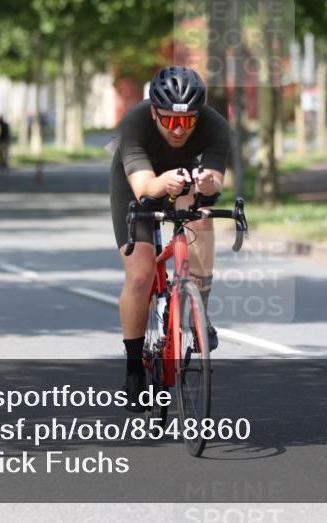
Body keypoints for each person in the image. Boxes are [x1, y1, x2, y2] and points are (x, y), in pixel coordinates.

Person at [109, 66, 230, 411]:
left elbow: (216, 183)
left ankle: (199, 312)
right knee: (141, 275)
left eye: (188, 122)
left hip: (185, 184)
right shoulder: (134, 124)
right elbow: (145, 188)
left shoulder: (215, 125)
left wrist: (209, 183)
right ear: (153, 112)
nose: (178, 130)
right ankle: (134, 369)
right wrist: (165, 183)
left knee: (202, 219)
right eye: (170, 121)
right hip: (136, 186)